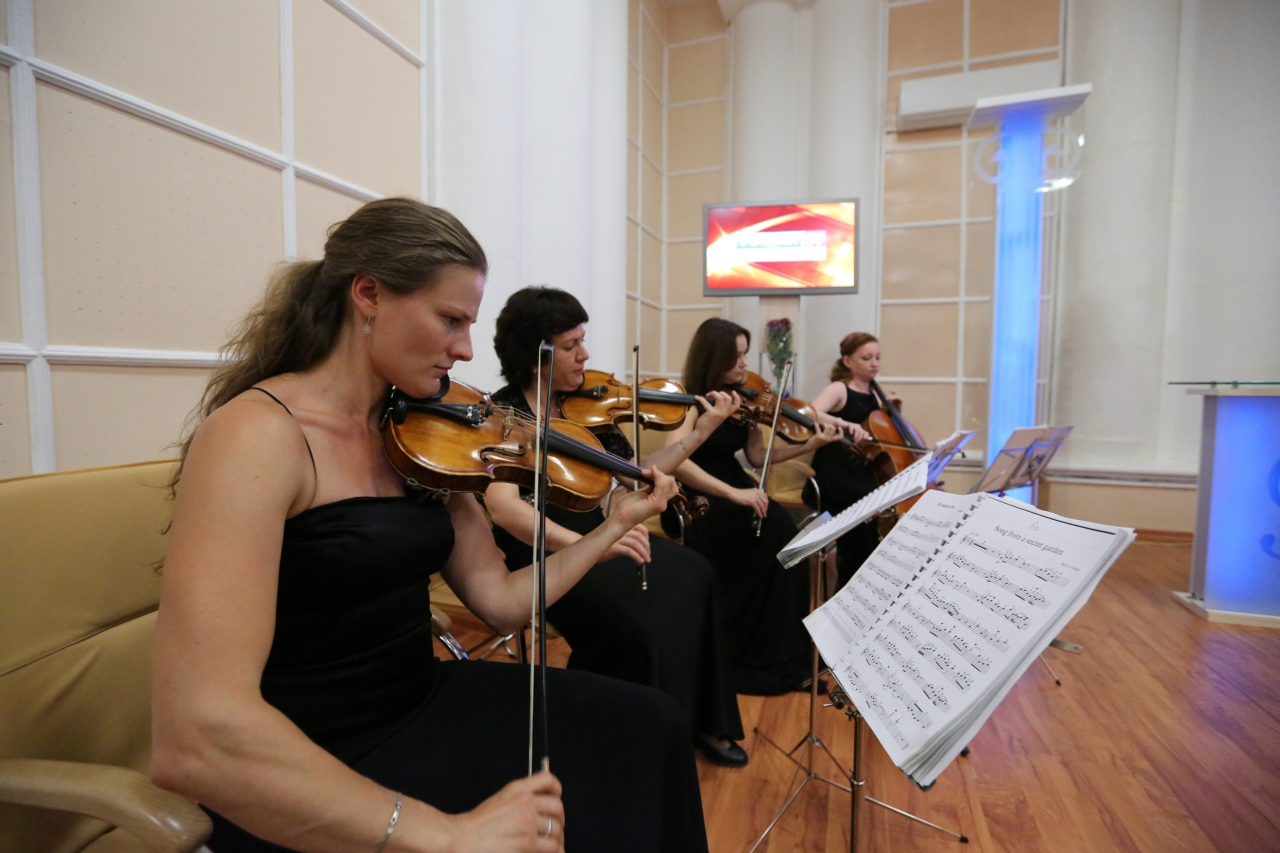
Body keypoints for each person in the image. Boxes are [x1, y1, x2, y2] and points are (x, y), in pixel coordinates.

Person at [149, 197, 709, 853]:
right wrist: (448, 834)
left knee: (652, 724)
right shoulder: (256, 436)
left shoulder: (420, 434)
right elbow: (196, 736)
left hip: (422, 697)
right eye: (450, 319)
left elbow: (500, 601)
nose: (465, 349)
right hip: (309, 758)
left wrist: (609, 531)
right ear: (368, 294)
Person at [484, 286, 749, 769]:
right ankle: (629, 739)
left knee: (694, 572)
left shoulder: (584, 408)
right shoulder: (502, 414)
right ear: (536, 355)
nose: (584, 355)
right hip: (542, 547)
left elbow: (638, 474)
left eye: (582, 341)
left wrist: (700, 433)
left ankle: (698, 721)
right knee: (638, 626)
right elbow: (504, 509)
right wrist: (590, 546)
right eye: (571, 345)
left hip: (600, 530)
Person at [660, 318, 857, 695]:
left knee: (784, 537)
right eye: (735, 356)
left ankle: (786, 653)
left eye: (745, 355)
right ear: (713, 356)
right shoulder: (691, 401)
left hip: (737, 489)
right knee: (773, 536)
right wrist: (734, 494)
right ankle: (751, 651)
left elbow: (756, 456)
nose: (743, 364)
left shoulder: (741, 399)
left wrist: (809, 446)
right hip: (700, 498)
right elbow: (678, 461)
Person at [806, 331, 905, 588]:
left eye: (877, 358)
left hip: (862, 469)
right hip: (836, 471)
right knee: (867, 505)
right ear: (848, 361)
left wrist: (894, 413)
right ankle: (852, 582)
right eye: (866, 358)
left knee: (887, 497)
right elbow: (809, 413)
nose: (874, 363)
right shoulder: (839, 388)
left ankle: (872, 580)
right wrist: (844, 424)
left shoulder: (876, 394)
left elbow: (879, 437)